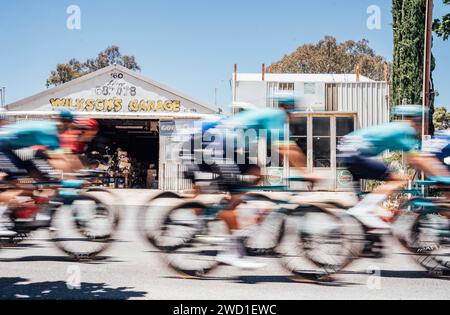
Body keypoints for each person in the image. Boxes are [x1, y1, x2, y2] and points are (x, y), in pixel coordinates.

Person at [187, 97, 312, 269]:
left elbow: (285, 149)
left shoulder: (272, 116)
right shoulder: (276, 116)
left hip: (228, 149)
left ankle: (233, 202)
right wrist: (307, 172)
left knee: (257, 172)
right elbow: (286, 148)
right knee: (236, 190)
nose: (295, 117)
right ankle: (229, 252)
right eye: (294, 113)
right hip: (219, 148)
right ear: (288, 110)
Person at [338, 105, 449, 232]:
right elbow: (418, 159)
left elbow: (414, 160)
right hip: (355, 153)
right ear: (417, 120)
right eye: (423, 121)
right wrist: (440, 177)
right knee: (397, 180)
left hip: (348, 151)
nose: (424, 125)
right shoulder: (405, 130)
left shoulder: (398, 127)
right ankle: (363, 210)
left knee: (364, 206)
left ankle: (363, 229)